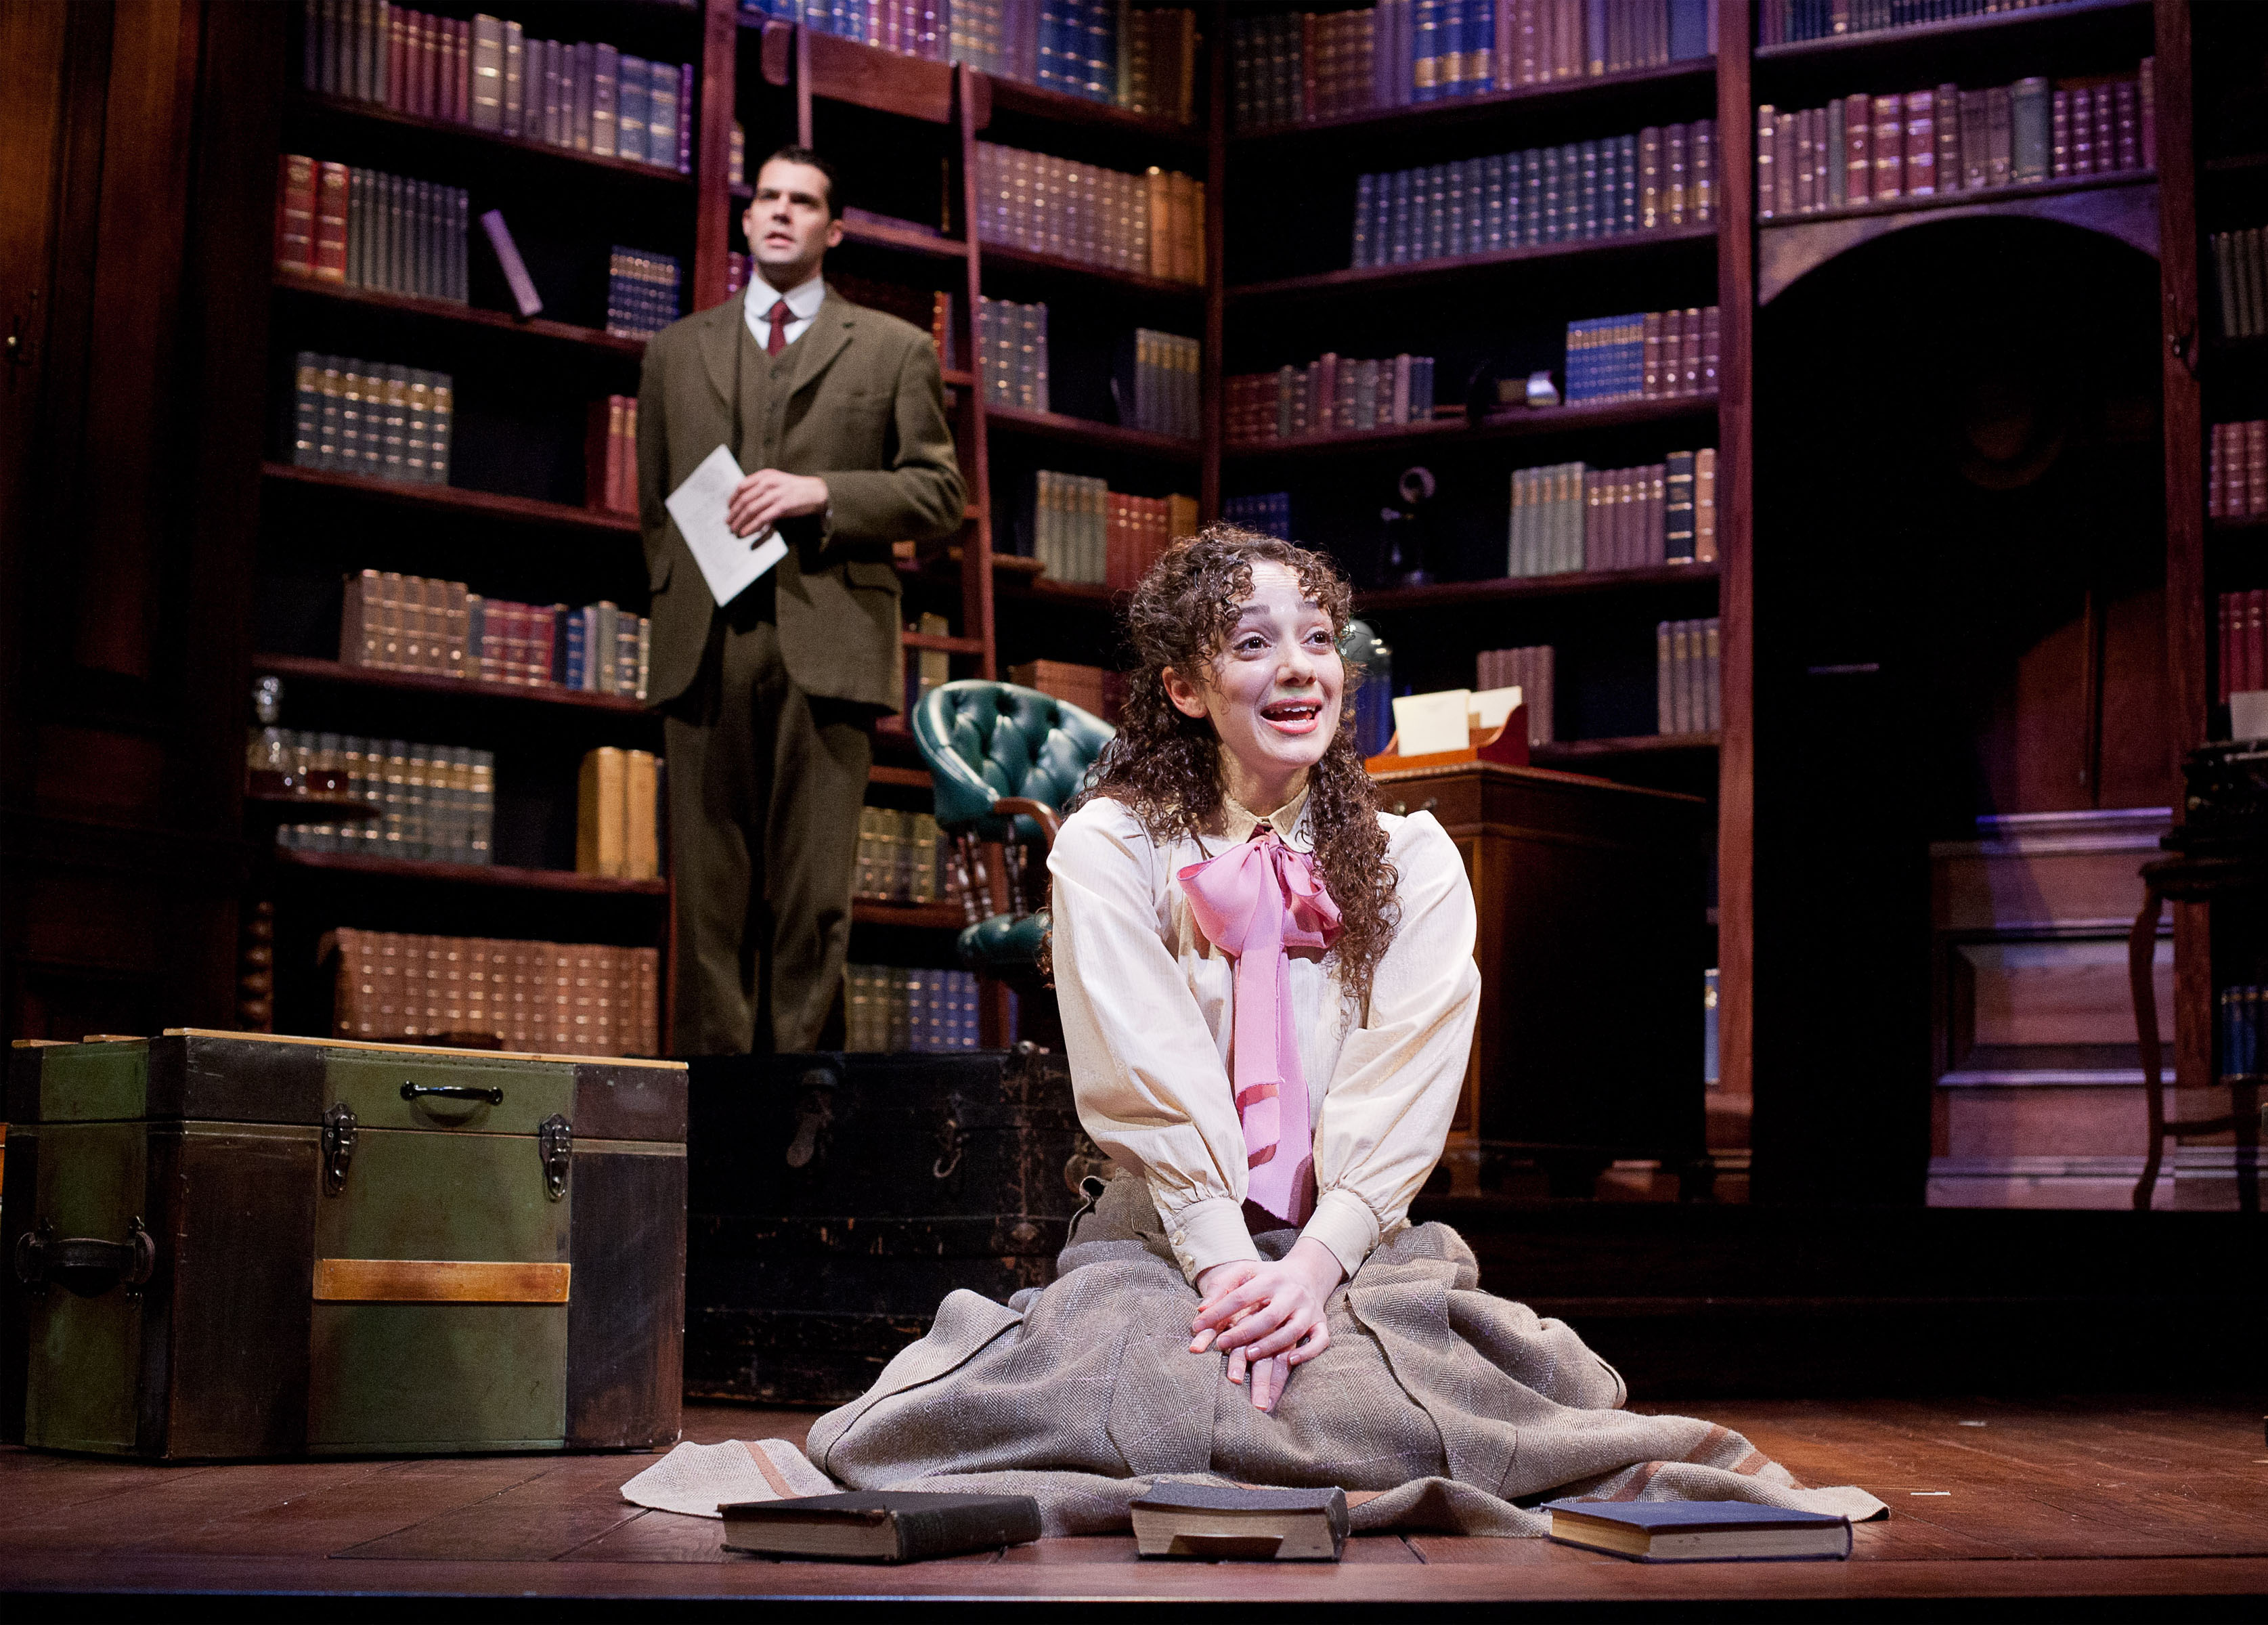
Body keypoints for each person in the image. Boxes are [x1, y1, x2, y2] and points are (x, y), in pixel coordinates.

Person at [624, 527, 1881, 1535]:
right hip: (1165, 1243)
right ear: (1183, 686)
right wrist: (1234, 1277)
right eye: (1252, 643)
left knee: (1368, 1383)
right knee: (1168, 1377)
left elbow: (1401, 1089)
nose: (1299, 670)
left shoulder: (1413, 863)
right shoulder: (1113, 849)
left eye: (1318, 640)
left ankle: (1308, 1416)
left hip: (1353, 1251)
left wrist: (1310, 1273)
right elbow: (1148, 1074)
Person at [636, 146, 965, 1054]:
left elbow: (939, 495)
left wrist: (823, 492)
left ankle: (798, 1104)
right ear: (747, 221)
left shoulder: (894, 349)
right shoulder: (674, 352)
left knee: (813, 897)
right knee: (707, 897)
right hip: (705, 643)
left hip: (829, 641)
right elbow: (654, 508)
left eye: (804, 201)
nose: (782, 212)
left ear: (834, 229)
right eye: (769, 198)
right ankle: (714, 1109)